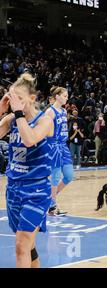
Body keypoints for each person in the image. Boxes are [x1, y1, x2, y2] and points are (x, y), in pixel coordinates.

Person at [0, 73, 54, 267]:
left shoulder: (45, 121)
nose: (16, 104)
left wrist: (18, 114)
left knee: (21, 246)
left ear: (32, 98)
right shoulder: (12, 119)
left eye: (20, 99)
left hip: (36, 191)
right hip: (13, 189)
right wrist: (1, 110)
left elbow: (29, 139)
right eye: (14, 99)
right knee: (28, 246)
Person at [46, 87, 74, 216]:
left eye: (67, 96)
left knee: (69, 176)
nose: (66, 98)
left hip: (63, 145)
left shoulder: (63, 111)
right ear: (57, 96)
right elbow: (44, 130)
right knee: (55, 177)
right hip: (54, 145)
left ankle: (49, 198)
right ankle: (52, 206)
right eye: (64, 95)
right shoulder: (49, 112)